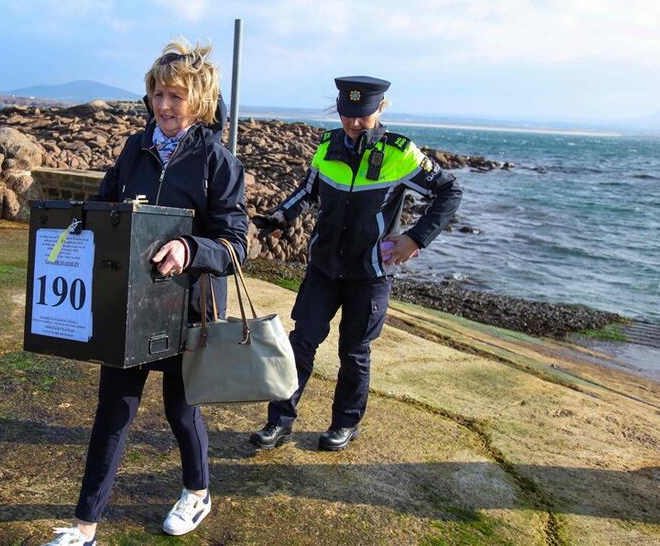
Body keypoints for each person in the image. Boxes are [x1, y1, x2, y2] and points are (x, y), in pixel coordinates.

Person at [44, 40, 248, 546]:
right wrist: (74, 224)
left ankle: (197, 492)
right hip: (129, 306)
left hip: (188, 307)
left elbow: (235, 245)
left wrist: (187, 246)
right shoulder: (134, 149)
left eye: (176, 96)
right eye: (158, 93)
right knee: (113, 409)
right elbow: (103, 207)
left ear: (198, 100)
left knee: (182, 411)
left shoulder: (217, 162)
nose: (163, 105)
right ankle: (85, 526)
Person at [249, 76, 461, 452]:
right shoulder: (327, 145)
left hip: (371, 273)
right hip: (324, 267)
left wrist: (415, 238)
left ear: (380, 109)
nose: (353, 122)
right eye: (347, 113)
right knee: (301, 342)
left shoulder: (401, 152)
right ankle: (278, 422)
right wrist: (279, 217)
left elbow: (448, 191)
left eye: (362, 115)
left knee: (354, 350)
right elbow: (307, 190)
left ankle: (345, 424)